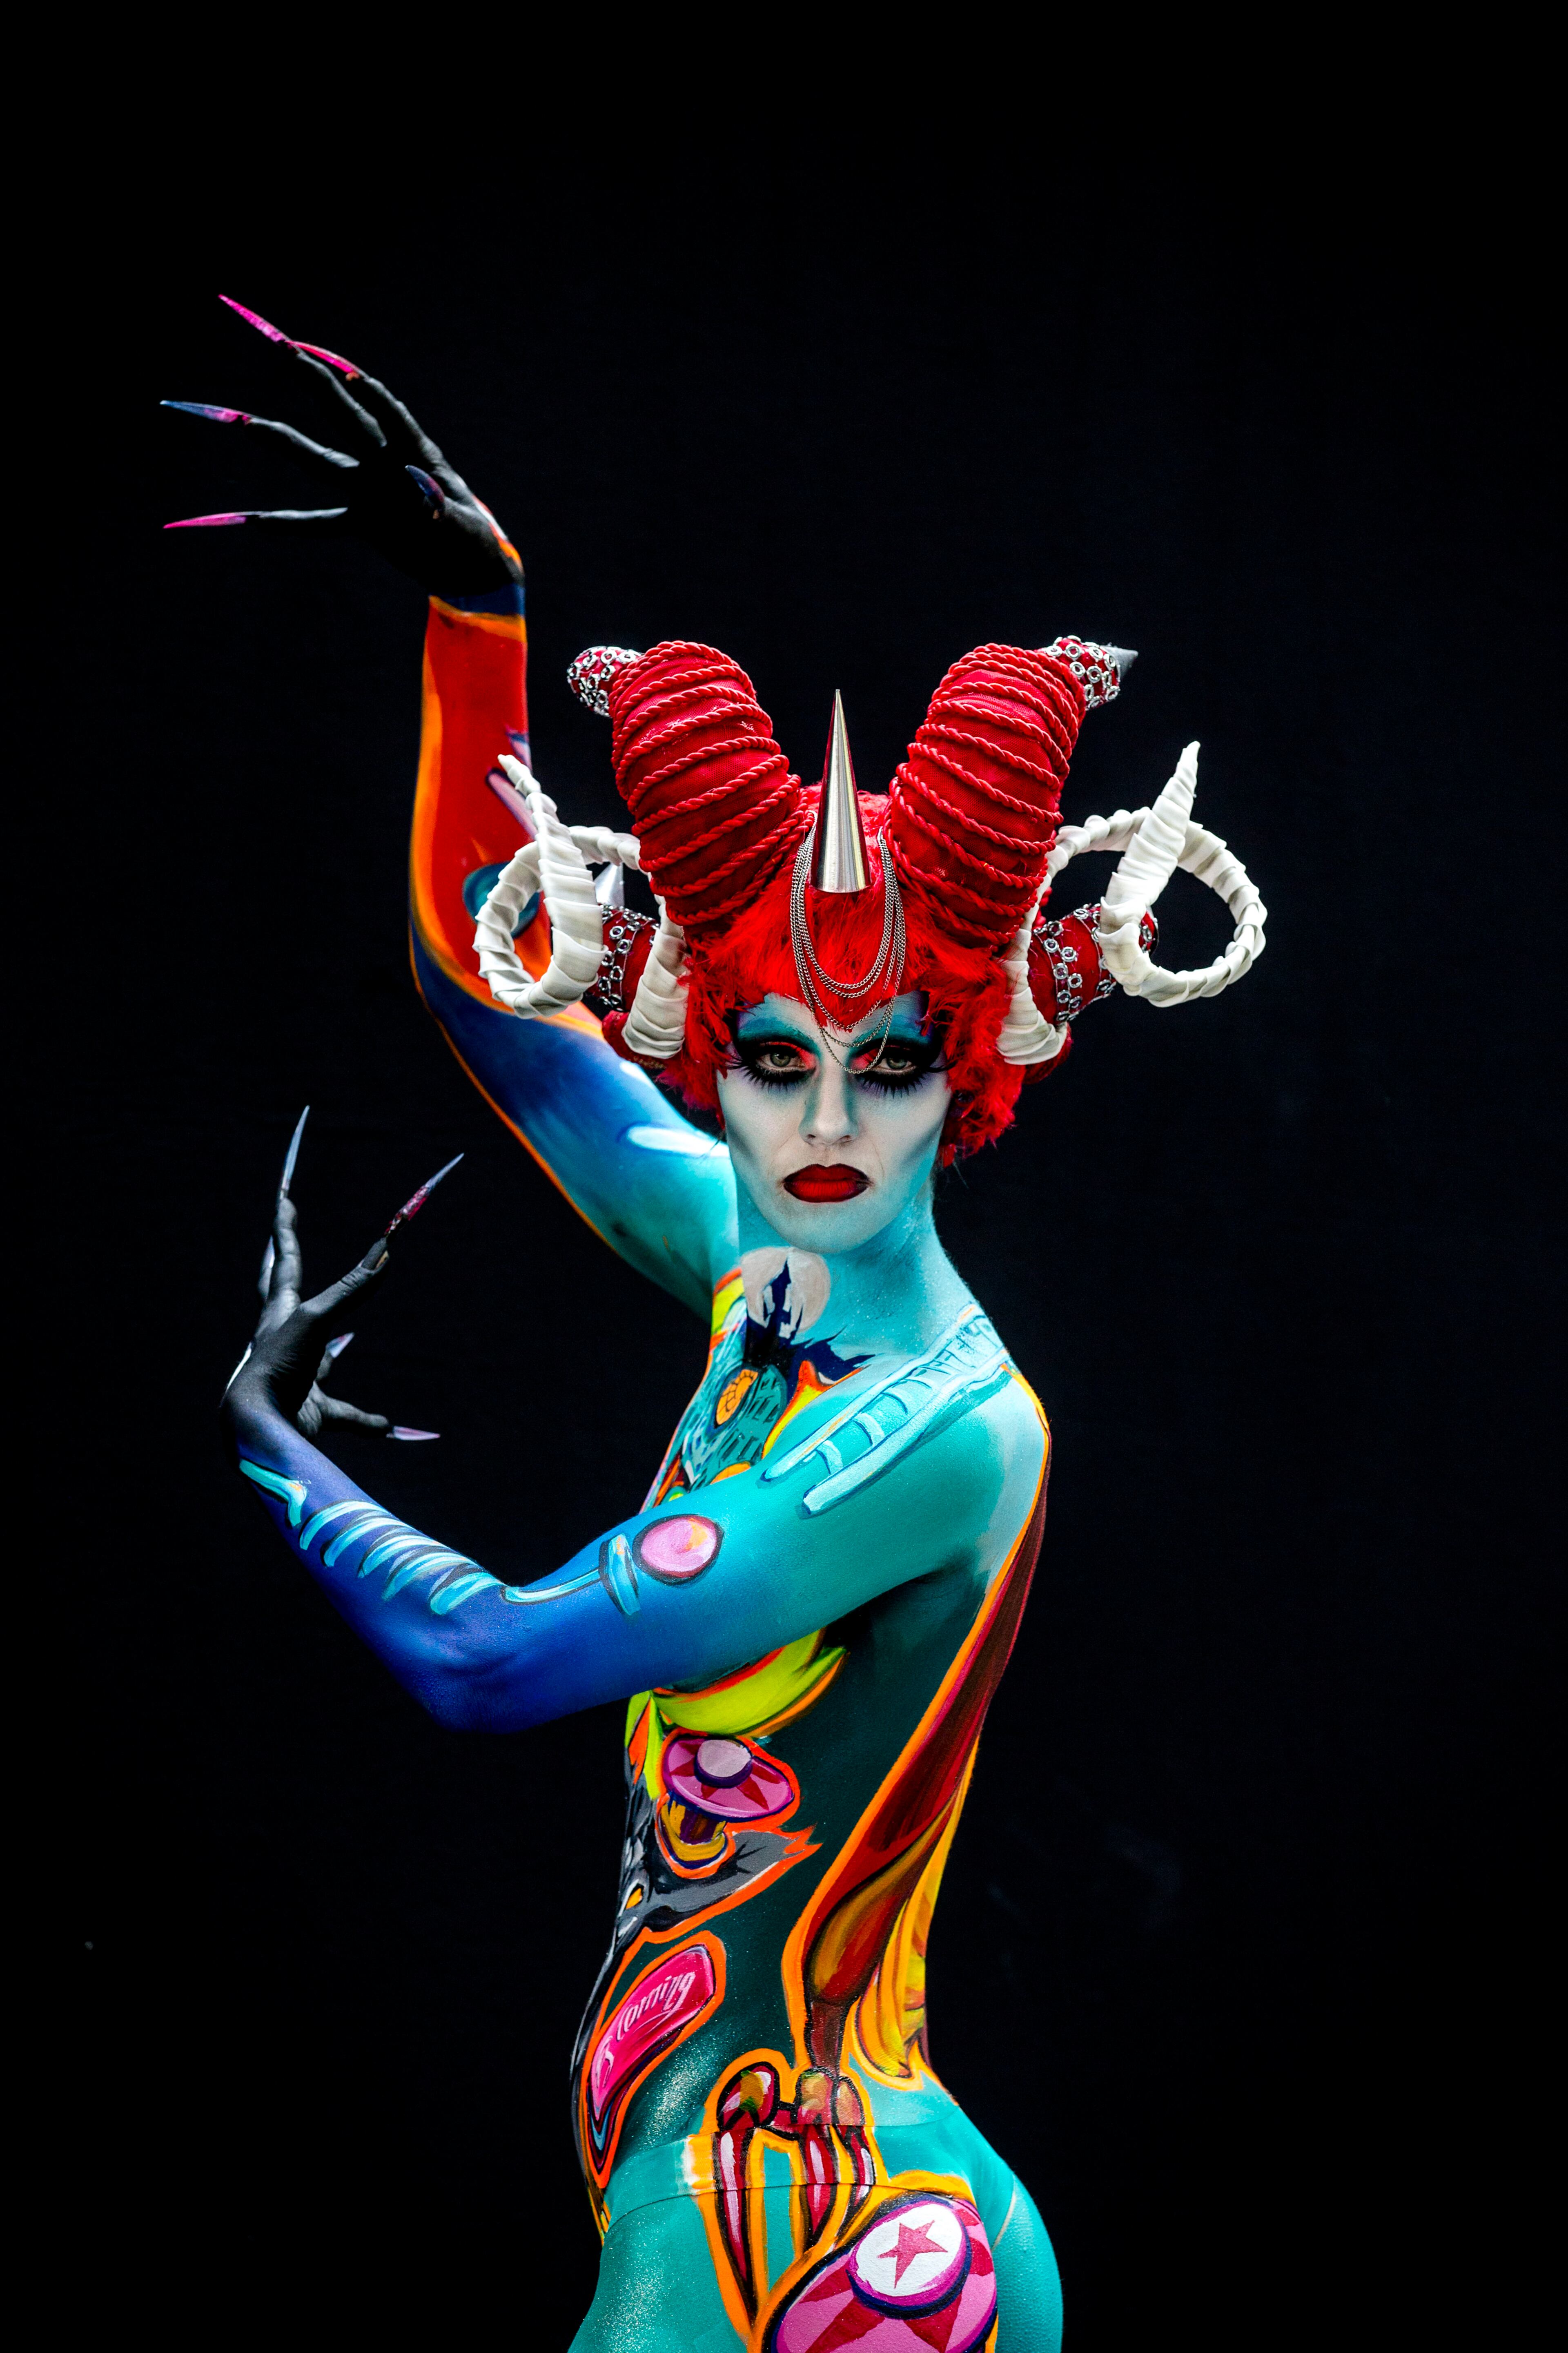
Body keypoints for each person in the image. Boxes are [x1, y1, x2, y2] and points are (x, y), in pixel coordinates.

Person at [171, 296, 1265, 2352]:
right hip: (765, 2174)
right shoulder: (758, 1274)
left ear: (983, 1062)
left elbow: (486, 1659)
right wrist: (479, 616)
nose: (828, 1119)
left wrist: (256, 1433)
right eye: (775, 1058)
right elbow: (487, 997)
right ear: (707, 1035)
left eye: (894, 1059)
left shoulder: (936, 1433)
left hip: (801, 2223)